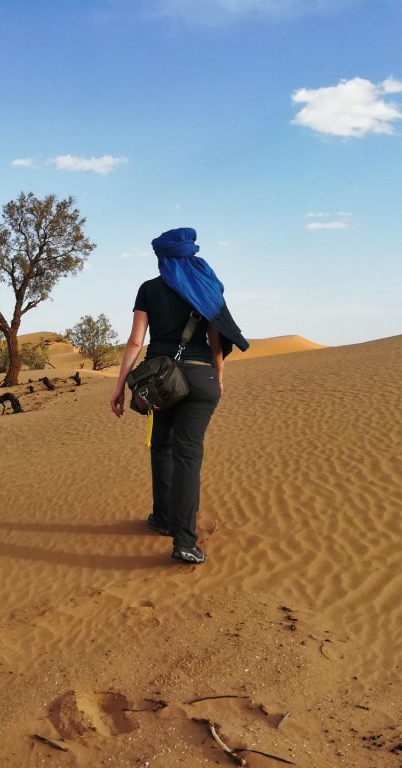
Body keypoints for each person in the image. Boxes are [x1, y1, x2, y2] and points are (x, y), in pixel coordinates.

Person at [110, 227, 248, 565]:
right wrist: (219, 376)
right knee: (188, 456)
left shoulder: (149, 289)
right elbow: (217, 340)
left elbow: (134, 342)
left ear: (163, 258)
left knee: (162, 446)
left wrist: (119, 386)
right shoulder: (208, 287)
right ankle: (184, 541)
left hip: (163, 381)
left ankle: (165, 519)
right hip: (202, 378)